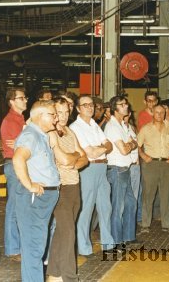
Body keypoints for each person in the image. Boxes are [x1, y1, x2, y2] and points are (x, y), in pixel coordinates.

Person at [13, 100, 61, 281]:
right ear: (40, 116)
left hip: (44, 198)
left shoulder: (40, 135)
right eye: (53, 114)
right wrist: (29, 185)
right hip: (35, 198)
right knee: (34, 247)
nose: (56, 119)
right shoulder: (31, 135)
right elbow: (18, 159)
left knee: (38, 246)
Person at [46, 97, 88, 281]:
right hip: (60, 187)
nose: (63, 117)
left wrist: (74, 160)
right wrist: (74, 157)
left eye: (65, 112)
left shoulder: (69, 131)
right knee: (69, 232)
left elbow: (85, 157)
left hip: (74, 185)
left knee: (62, 232)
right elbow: (63, 160)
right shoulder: (50, 133)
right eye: (59, 113)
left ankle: (54, 274)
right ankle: (70, 277)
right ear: (52, 113)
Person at [70, 95, 114, 255]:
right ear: (78, 109)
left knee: (106, 207)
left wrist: (100, 148)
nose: (89, 107)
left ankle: (108, 244)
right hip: (88, 169)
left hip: (102, 169)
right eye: (85, 105)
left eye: (91, 105)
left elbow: (109, 146)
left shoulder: (94, 124)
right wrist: (101, 148)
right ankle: (84, 247)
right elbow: (91, 152)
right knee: (86, 209)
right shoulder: (75, 127)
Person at [137, 105, 169, 233]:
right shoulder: (145, 129)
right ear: (153, 114)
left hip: (166, 164)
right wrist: (144, 156)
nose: (159, 115)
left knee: (165, 195)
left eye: (162, 112)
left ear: (165, 113)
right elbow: (137, 146)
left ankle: (166, 225)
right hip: (151, 165)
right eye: (157, 112)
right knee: (148, 195)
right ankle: (145, 225)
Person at [104, 96, 138, 248]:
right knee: (118, 207)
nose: (126, 106)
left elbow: (133, 143)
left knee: (131, 203)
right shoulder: (112, 126)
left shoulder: (123, 126)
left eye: (126, 103)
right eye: (122, 104)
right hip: (117, 170)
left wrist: (130, 144)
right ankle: (116, 240)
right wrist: (131, 144)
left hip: (125, 169)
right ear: (114, 108)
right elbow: (124, 150)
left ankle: (128, 236)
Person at [0, 88, 27, 261]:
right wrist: (22, 142)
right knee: (14, 208)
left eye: (25, 97)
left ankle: (18, 245)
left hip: (21, 165)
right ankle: (12, 248)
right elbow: (17, 148)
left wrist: (21, 141)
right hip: (14, 166)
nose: (25, 100)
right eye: (21, 98)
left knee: (20, 208)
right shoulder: (10, 121)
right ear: (12, 101)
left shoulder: (21, 119)